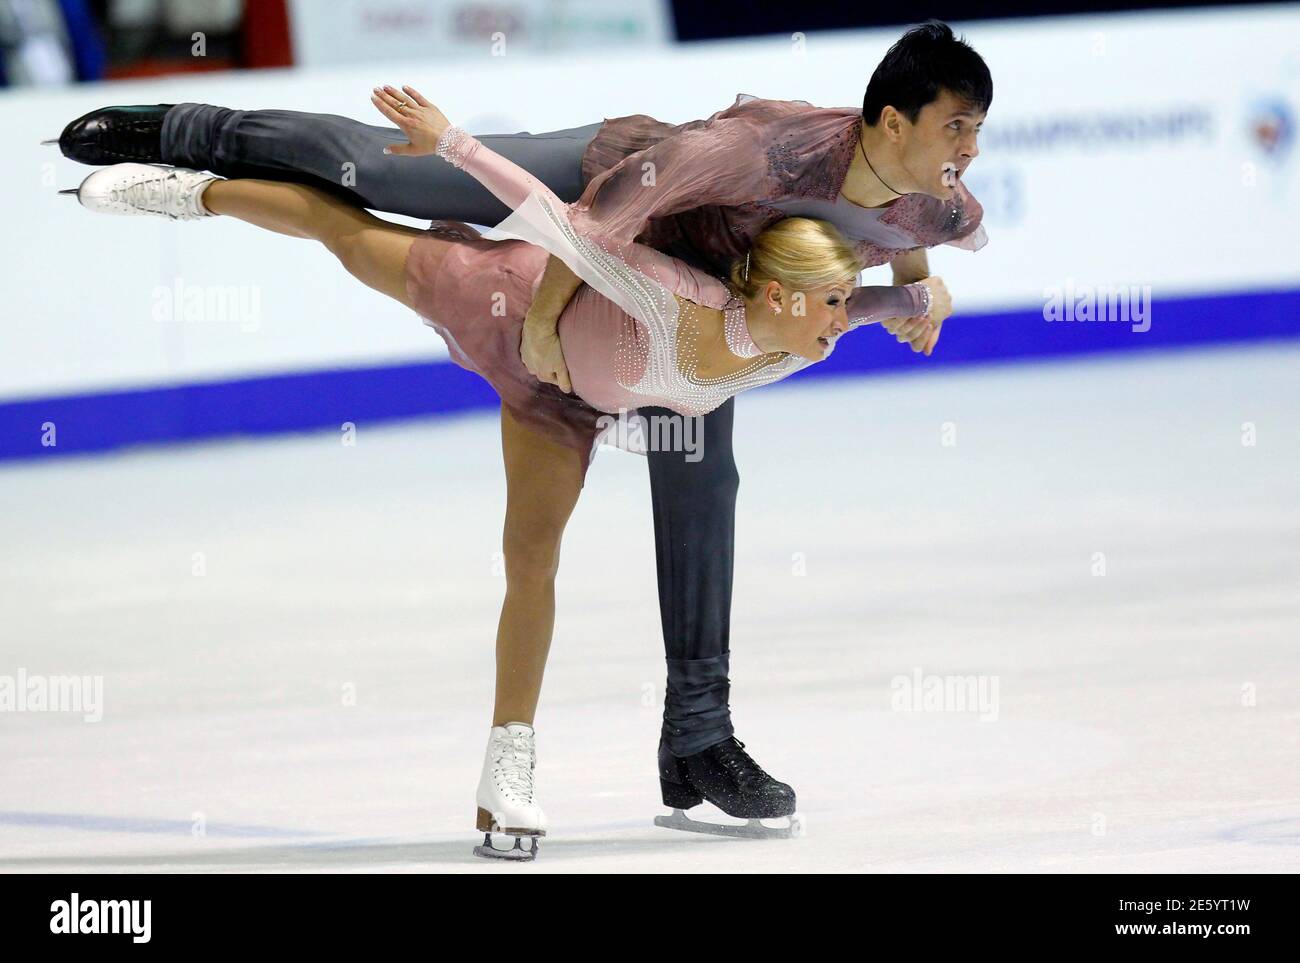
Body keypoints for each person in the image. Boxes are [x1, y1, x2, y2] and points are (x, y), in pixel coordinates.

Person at [51, 19, 992, 847]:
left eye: (977, 130)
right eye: (956, 126)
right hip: (614, 197)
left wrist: (914, 289)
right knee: (387, 171)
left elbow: (919, 239)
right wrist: (544, 320)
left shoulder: (941, 197)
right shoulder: (759, 151)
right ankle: (189, 132)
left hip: (708, 315)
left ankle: (698, 736)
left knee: (707, 482)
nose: (971, 149)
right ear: (890, 121)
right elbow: (592, 225)